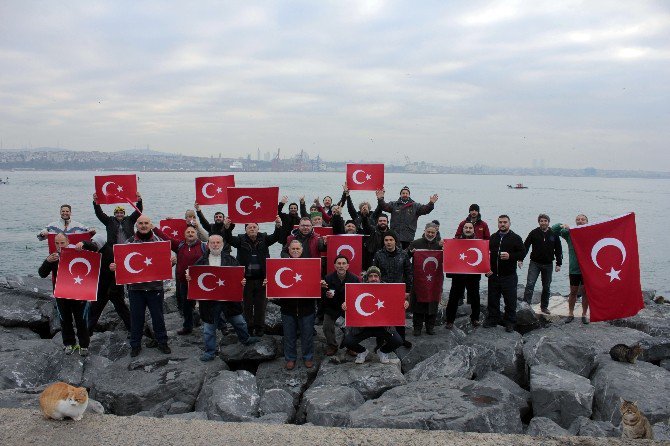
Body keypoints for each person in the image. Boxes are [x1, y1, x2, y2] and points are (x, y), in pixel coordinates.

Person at [186, 235, 259, 362]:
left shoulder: (231, 260)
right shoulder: (200, 261)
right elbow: (194, 280)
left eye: (218, 242)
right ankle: (210, 352)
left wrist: (242, 281)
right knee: (209, 329)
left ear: (223, 244)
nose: (215, 245)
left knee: (239, 322)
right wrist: (189, 278)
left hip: (229, 300)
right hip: (209, 302)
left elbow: (239, 277)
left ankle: (245, 339)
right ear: (208, 244)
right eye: (212, 242)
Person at [110, 215, 171, 357]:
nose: (143, 225)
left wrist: (171, 262)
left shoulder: (159, 241)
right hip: (135, 289)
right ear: (136, 225)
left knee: (158, 317)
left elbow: (165, 265)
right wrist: (115, 266)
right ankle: (135, 345)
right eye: (141, 223)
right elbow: (120, 262)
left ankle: (162, 342)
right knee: (136, 319)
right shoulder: (129, 242)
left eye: (146, 223)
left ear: (151, 225)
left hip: (155, 288)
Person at [224, 216, 282, 336]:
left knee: (261, 306)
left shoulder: (265, 238)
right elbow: (228, 238)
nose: (252, 229)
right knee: (247, 306)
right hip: (246, 279)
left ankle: (260, 328)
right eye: (249, 227)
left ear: (258, 228)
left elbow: (276, 237)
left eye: (254, 227)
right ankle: (249, 327)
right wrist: (227, 227)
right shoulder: (240, 240)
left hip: (262, 279)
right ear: (245, 230)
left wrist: (277, 225)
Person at [38, 233, 90, 356]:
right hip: (61, 294)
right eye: (57, 243)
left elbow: (94, 252)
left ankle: (84, 345)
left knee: (81, 320)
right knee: (65, 320)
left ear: (68, 241)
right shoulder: (53, 257)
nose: (60, 245)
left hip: (79, 293)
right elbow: (42, 274)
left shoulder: (77, 253)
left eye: (62, 243)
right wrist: (47, 261)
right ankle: (69, 343)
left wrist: (84, 243)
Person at [341, 266, 405, 364]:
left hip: (383, 327)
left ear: (380, 278)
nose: (373, 278)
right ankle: (362, 352)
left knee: (398, 341)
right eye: (371, 276)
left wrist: (404, 303)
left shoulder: (388, 289)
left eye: (376, 276)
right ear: (367, 278)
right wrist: (346, 304)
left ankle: (382, 352)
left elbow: (397, 302)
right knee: (347, 342)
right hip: (364, 327)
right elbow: (351, 302)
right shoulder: (359, 289)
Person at [75, 234, 131, 335]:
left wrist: (113, 289)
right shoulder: (94, 253)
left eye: (95, 243)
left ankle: (132, 330)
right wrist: (83, 243)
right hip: (101, 288)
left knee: (122, 311)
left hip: (114, 289)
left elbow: (118, 273)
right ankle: (87, 333)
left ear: (100, 243)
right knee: (94, 312)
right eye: (92, 243)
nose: (93, 245)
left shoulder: (111, 252)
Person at [273, 240, 316, 369]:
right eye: (293, 249)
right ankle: (290, 358)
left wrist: (321, 285)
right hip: (287, 307)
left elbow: (315, 284)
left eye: (298, 249)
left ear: (302, 250)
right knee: (289, 335)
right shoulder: (281, 265)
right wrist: (269, 284)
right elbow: (276, 284)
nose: (296, 251)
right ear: (289, 251)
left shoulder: (311, 264)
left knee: (307, 335)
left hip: (307, 307)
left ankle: (308, 357)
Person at [157, 224, 208, 335]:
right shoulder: (179, 245)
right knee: (186, 307)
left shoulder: (204, 247)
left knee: (205, 306)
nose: (190, 234)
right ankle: (187, 327)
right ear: (184, 235)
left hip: (200, 282)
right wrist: (154, 228)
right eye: (188, 232)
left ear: (196, 234)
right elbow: (166, 238)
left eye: (192, 232)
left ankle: (212, 326)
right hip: (184, 282)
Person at [483, 215, 525, 332]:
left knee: (510, 300)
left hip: (509, 275)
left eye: (505, 222)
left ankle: (510, 322)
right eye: (500, 222)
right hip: (493, 275)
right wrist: (486, 270)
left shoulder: (515, 238)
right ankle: (493, 319)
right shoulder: (493, 238)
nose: (502, 224)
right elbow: (485, 255)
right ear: (497, 224)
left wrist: (511, 256)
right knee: (492, 299)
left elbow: (522, 252)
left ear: (509, 224)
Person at [373, 230, 412, 347]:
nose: (388, 242)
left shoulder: (403, 254)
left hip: (398, 289)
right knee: (381, 317)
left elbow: (409, 273)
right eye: (386, 240)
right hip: (382, 289)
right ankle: (380, 341)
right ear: (383, 242)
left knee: (399, 316)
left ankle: (402, 339)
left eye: (391, 240)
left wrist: (407, 291)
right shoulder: (378, 255)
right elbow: (375, 273)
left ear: (395, 241)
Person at [520, 213, 563, 314]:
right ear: (538, 222)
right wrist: (520, 259)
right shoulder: (534, 232)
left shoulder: (554, 234)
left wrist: (558, 263)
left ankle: (544, 307)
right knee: (530, 284)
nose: (543, 223)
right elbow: (526, 246)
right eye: (541, 221)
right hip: (535, 263)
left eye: (545, 221)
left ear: (548, 222)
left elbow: (558, 249)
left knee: (546, 286)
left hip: (548, 264)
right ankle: (526, 305)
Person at [552, 214, 590, 324]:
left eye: (583, 219)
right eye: (578, 219)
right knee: (573, 292)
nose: (580, 221)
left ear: (587, 222)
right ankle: (570, 313)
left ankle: (584, 314)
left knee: (585, 292)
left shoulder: (591, 233)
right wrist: (563, 225)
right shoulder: (570, 233)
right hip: (574, 269)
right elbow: (554, 229)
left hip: (586, 269)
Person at [445, 222, 483, 329]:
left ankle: (475, 318)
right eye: (466, 227)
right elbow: (450, 255)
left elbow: (484, 257)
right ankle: (450, 320)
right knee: (453, 297)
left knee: (475, 297)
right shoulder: (456, 241)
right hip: (458, 274)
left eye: (470, 228)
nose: (468, 229)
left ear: (473, 230)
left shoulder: (479, 243)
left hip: (473, 274)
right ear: (463, 229)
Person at [408, 222, 443, 335]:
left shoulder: (440, 245)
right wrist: (410, 252)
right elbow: (405, 256)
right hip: (419, 279)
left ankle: (430, 327)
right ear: (424, 231)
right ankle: (417, 327)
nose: (430, 234)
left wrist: (446, 247)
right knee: (418, 303)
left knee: (432, 303)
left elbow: (449, 258)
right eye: (428, 232)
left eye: (433, 232)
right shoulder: (416, 243)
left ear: (436, 233)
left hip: (434, 280)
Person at [322, 255, 360, 356]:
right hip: (332, 308)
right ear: (335, 266)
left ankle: (350, 346)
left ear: (347, 266)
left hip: (348, 309)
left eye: (343, 264)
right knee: (326, 326)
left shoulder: (355, 279)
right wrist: (326, 295)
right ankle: (332, 345)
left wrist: (349, 302)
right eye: (339, 263)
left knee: (354, 326)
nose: (341, 266)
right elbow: (323, 299)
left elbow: (358, 297)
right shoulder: (328, 278)